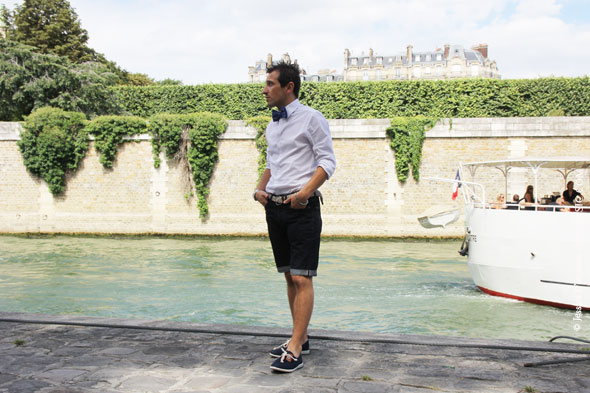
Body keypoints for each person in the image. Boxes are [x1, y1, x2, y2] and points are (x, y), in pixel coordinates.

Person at [253, 61, 336, 373]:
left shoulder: (312, 118)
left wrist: (303, 195)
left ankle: (296, 347)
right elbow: (271, 163)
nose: (265, 89)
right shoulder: (272, 126)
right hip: (273, 207)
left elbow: (327, 162)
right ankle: (300, 336)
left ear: (289, 87)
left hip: (302, 208)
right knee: (289, 275)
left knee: (302, 276)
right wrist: (259, 190)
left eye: (271, 84)